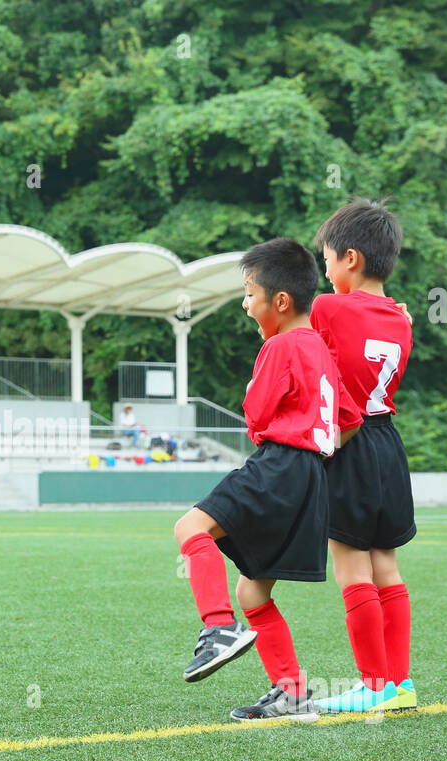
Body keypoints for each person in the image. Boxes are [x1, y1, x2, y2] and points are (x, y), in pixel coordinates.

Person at [173, 237, 362, 721]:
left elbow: (255, 415)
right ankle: (293, 693)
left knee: (189, 530)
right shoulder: (320, 349)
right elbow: (349, 421)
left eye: (248, 293)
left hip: (279, 464)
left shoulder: (280, 346)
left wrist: (283, 443)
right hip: (311, 478)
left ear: (279, 302)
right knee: (253, 591)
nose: (244, 303)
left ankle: (218, 629)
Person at [309, 198, 418, 714]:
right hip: (388, 444)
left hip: (348, 444)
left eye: (326, 261)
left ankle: (372, 687)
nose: (325, 273)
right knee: (386, 566)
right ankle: (399, 684)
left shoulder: (328, 308)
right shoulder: (401, 318)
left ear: (350, 258)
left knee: (352, 568)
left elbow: (305, 358)